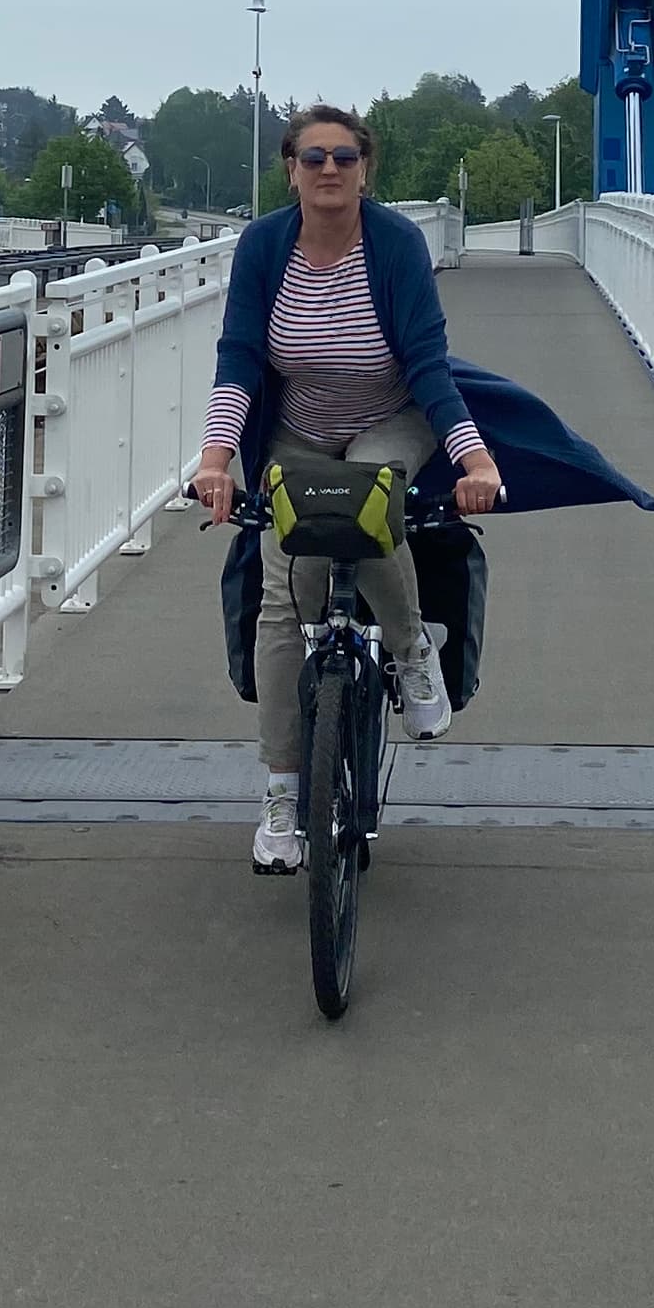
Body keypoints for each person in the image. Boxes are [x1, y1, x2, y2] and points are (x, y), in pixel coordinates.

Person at [192, 103, 502, 874]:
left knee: (367, 501)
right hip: (296, 427)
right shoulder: (265, 245)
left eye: (344, 157)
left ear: (366, 168)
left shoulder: (395, 244)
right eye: (312, 157)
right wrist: (215, 458)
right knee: (278, 593)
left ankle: (410, 652)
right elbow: (239, 358)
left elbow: (429, 365)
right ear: (290, 168)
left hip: (392, 416)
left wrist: (475, 462)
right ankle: (279, 796)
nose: (328, 170)